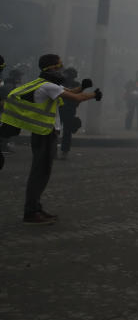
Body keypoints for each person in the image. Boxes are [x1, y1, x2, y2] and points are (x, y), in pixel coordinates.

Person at [0, 54, 100, 224]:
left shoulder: (43, 84)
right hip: (45, 134)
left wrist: (82, 87)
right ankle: (31, 212)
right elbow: (75, 97)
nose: (61, 69)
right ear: (52, 68)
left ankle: (36, 208)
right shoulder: (48, 86)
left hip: (44, 133)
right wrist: (94, 95)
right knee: (40, 173)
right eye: (58, 66)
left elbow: (69, 92)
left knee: (42, 172)